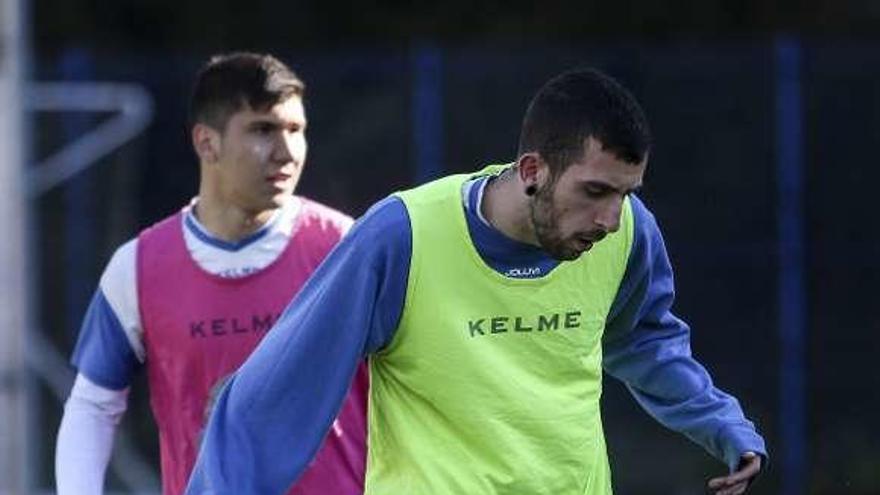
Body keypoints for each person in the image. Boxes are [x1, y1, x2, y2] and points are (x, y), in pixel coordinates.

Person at [186, 68, 767, 495]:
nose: (610, 218)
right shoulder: (401, 237)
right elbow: (275, 396)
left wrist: (723, 424)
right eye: (594, 191)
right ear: (533, 170)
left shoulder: (627, 231)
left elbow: (644, 339)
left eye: (625, 194)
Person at [55, 52, 367, 495]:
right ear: (207, 143)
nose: (286, 152)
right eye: (262, 130)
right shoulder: (139, 267)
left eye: (296, 131)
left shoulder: (346, 249)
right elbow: (92, 405)